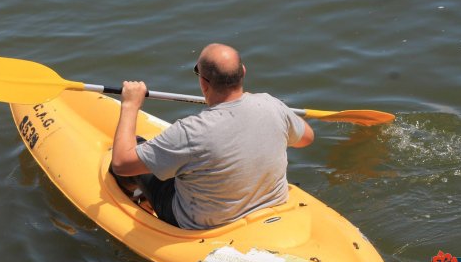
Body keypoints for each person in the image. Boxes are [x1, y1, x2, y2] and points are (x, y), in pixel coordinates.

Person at [111, 43, 314, 230]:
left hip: (200, 223)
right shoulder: (271, 105)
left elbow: (122, 163)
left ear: (203, 83)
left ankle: (135, 201)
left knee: (133, 153)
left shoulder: (190, 131)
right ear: (242, 72)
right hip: (269, 204)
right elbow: (306, 138)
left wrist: (130, 105)